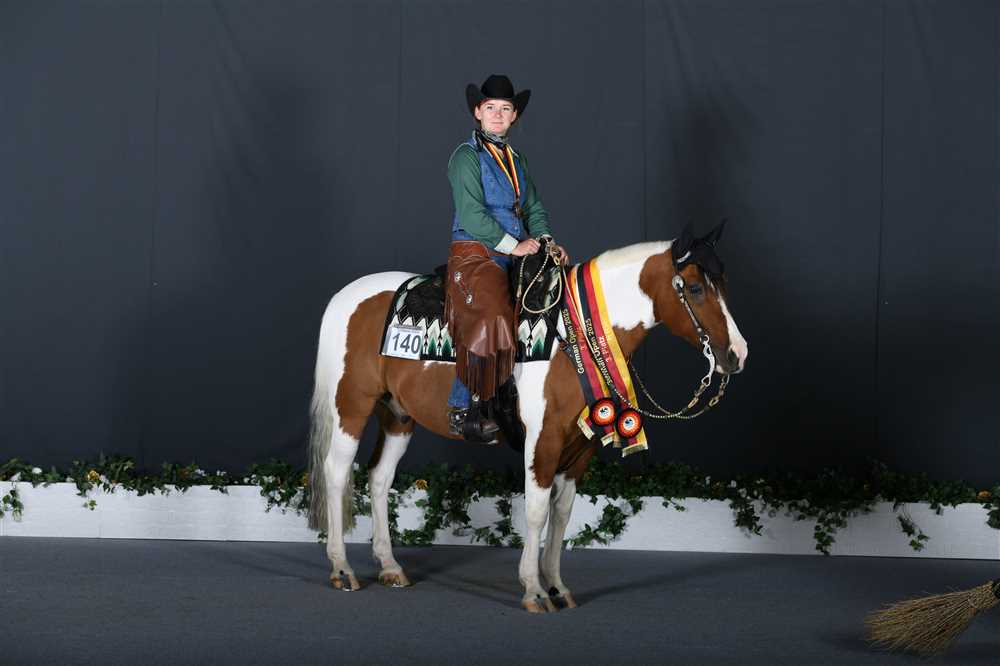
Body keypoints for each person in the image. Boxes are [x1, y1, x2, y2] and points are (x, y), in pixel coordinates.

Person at [444, 74, 568, 442]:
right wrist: (514, 246)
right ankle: (463, 406)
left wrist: (545, 240)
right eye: (491, 108)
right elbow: (471, 215)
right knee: (493, 314)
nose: (498, 115)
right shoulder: (465, 157)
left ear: (514, 116)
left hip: (515, 249)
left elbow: (533, 207)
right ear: (477, 112)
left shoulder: (516, 159)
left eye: (505, 109)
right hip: (476, 253)